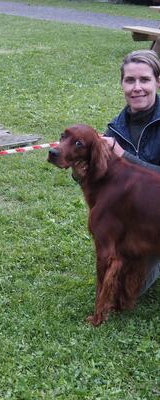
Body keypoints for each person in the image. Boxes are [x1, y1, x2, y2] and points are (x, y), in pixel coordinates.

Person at [102, 49, 160, 295]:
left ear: (158, 81)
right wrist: (85, 167)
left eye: (144, 80)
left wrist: (122, 156)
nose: (137, 87)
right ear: (122, 84)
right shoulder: (115, 128)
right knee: (121, 291)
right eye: (130, 80)